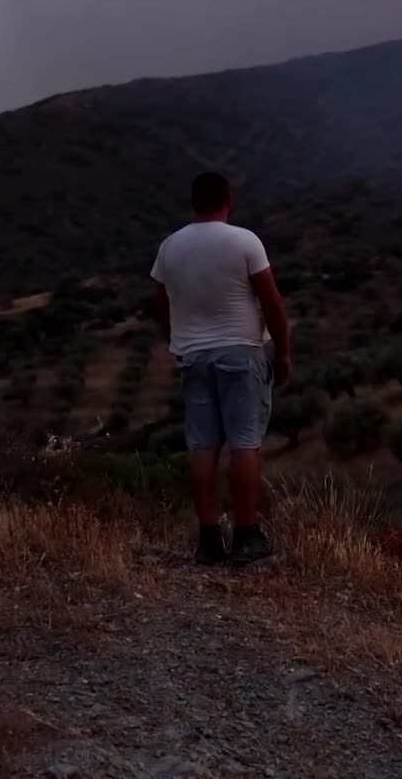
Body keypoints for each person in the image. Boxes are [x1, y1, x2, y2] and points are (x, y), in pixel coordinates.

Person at [151, 172, 292, 565]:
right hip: (241, 352)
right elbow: (273, 303)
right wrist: (282, 354)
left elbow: (160, 303)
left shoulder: (169, 248)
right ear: (228, 200)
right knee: (244, 443)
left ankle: (209, 537)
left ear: (193, 202)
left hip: (193, 356)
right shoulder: (245, 241)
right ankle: (246, 533)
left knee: (202, 445)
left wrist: (174, 339)